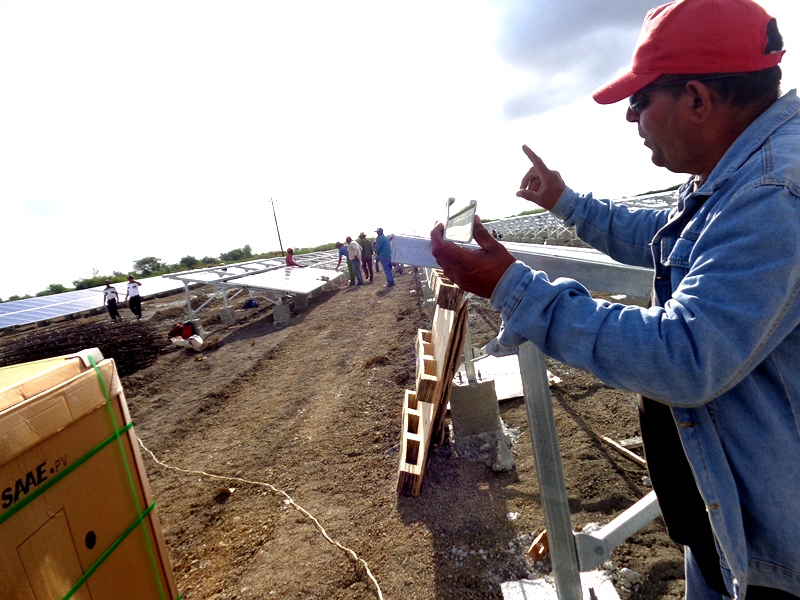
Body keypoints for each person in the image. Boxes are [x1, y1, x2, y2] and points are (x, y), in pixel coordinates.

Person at [430, 1, 800, 598]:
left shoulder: (774, 193)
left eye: (640, 100)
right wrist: (565, 202)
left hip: (774, 556)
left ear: (698, 99)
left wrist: (511, 286)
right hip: (726, 525)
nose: (631, 117)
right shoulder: (735, 175)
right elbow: (670, 240)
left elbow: (686, 356)